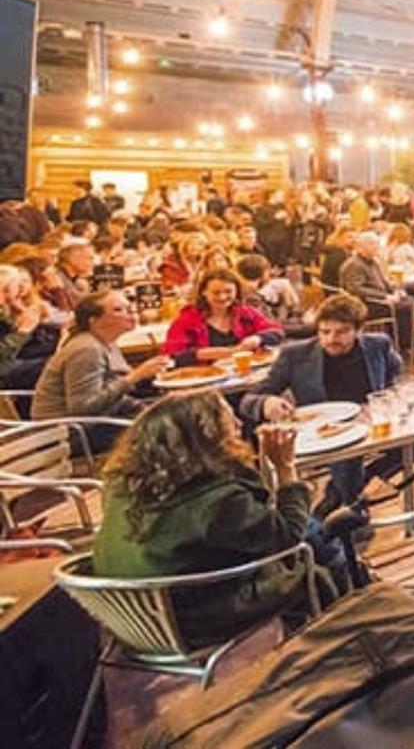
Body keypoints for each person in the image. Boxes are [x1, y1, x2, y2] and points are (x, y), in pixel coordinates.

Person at [92, 391, 342, 646]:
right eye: (229, 421)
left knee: (315, 535)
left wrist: (262, 464)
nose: (240, 425)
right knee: (313, 551)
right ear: (206, 439)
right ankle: (352, 626)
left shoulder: (123, 486)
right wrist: (285, 468)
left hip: (137, 623)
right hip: (200, 622)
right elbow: (286, 537)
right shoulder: (218, 502)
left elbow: (256, 523)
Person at [241, 294, 414, 514]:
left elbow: (397, 379)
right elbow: (248, 400)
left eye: (341, 332)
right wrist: (266, 402)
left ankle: (344, 492)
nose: (331, 339)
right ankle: (348, 514)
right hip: (324, 433)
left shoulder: (378, 345)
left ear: (359, 330)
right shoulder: (295, 355)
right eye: (324, 332)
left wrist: (387, 402)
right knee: (347, 462)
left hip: (372, 425)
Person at [31, 290, 173, 443]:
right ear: (94, 321)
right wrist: (134, 377)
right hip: (68, 434)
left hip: (97, 420)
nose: (130, 312)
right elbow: (83, 408)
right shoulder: (87, 349)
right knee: (171, 425)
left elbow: (114, 387)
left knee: (173, 409)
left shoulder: (105, 342)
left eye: (129, 307)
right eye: (118, 310)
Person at [161, 268, 284, 367]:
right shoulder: (187, 320)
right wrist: (204, 354)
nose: (222, 297)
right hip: (205, 380)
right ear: (204, 292)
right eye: (216, 292)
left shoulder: (246, 312)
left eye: (228, 291)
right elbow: (171, 357)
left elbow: (277, 331)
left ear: (236, 291)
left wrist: (258, 338)